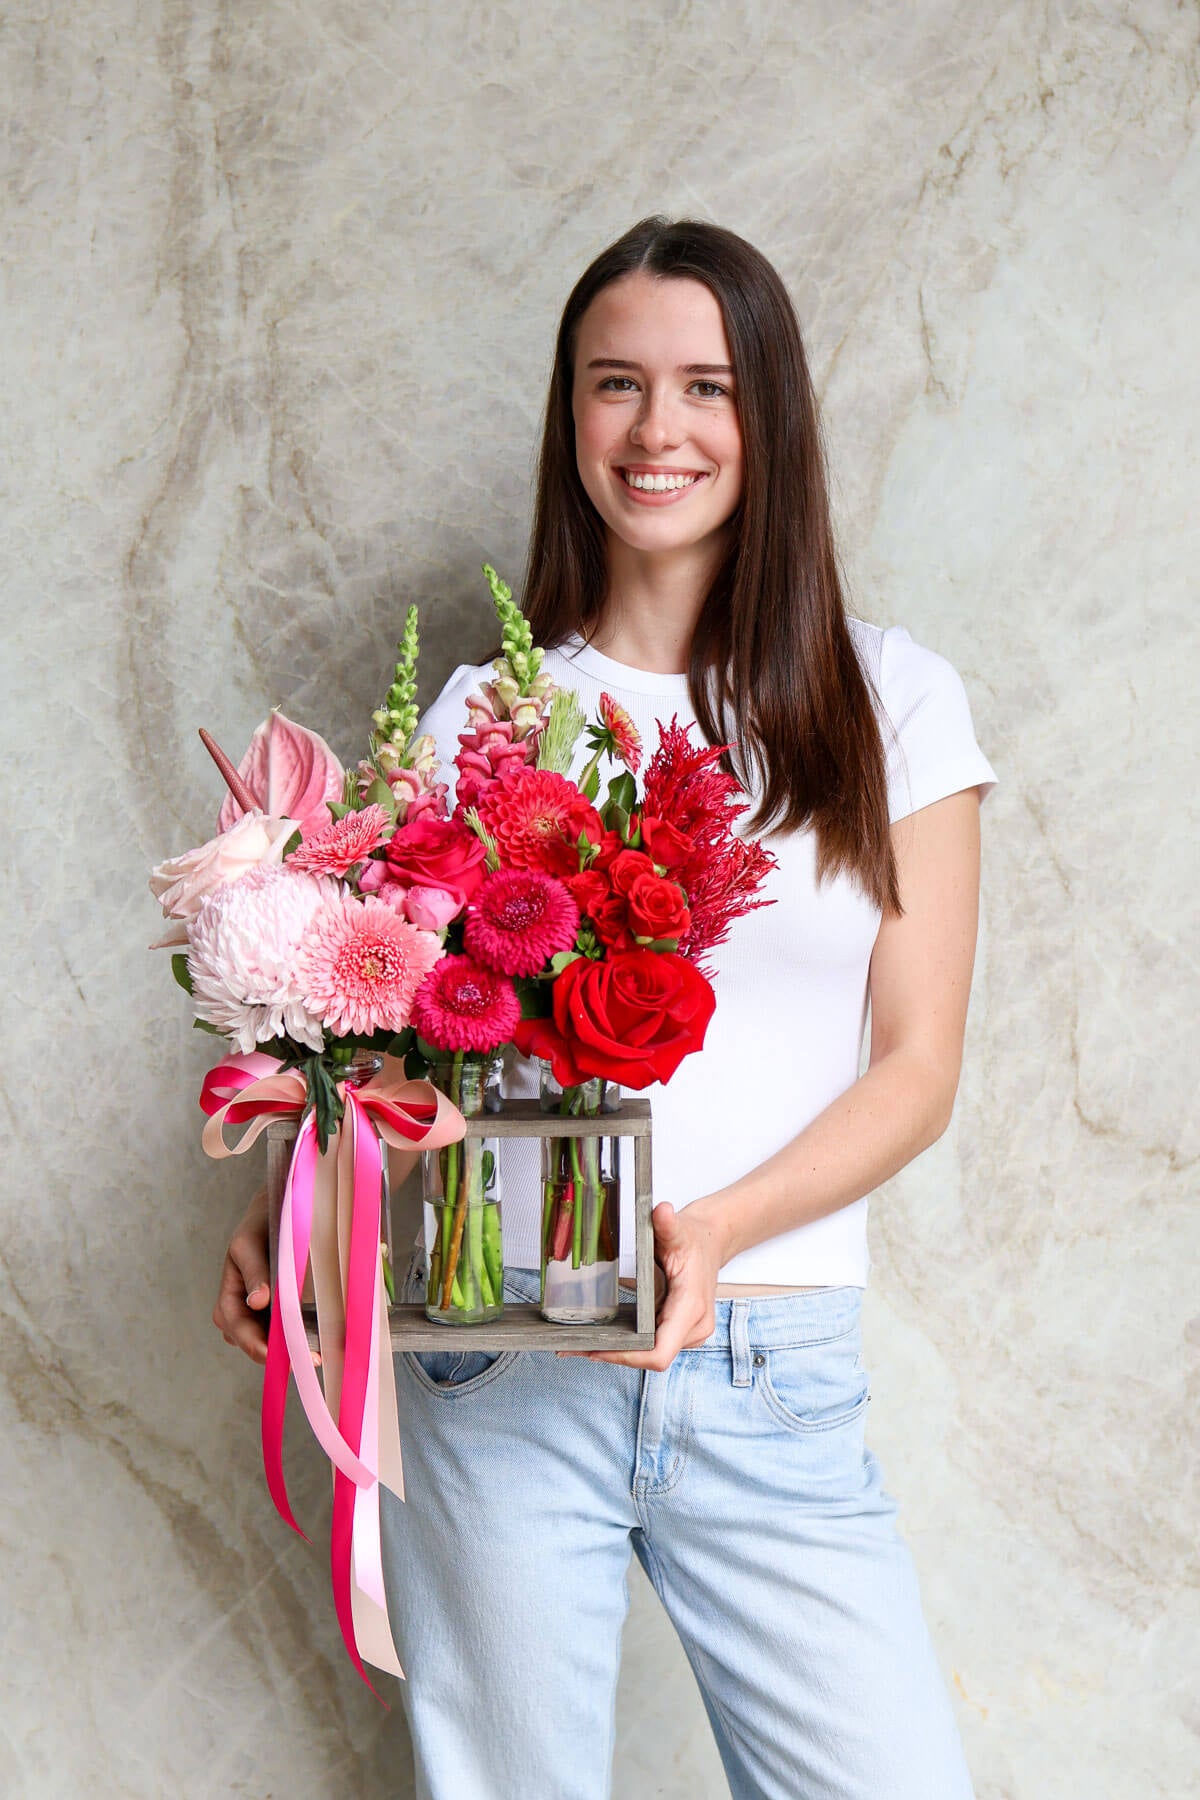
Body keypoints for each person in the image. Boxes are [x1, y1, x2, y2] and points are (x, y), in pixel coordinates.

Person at [214, 216, 996, 1799]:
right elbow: (416, 1043)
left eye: (707, 386)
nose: (658, 430)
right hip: (501, 1351)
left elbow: (917, 1069)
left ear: (769, 414)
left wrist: (717, 1231)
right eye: (615, 383)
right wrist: (302, 1205)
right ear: (571, 413)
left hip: (770, 1356)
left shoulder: (889, 700)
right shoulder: (488, 713)